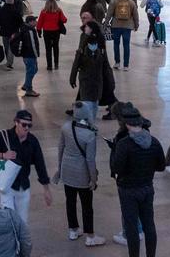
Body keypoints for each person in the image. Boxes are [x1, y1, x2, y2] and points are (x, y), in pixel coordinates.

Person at [109, 104, 164, 257]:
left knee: (131, 227)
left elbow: (117, 168)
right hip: (147, 187)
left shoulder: (124, 144)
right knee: (149, 225)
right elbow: (161, 166)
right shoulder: (154, 142)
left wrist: (113, 150)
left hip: (128, 190)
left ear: (126, 124)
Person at [0, 109, 51, 219]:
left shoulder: (33, 141)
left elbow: (40, 164)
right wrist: (3, 155)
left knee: (22, 222)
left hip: (23, 187)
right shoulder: (3, 136)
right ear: (16, 122)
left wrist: (46, 189)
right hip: (6, 188)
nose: (27, 128)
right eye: (24, 125)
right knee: (8, 220)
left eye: (29, 125)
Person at [55, 101, 104, 246]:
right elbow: (90, 160)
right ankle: (90, 236)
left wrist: (60, 169)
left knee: (70, 201)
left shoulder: (65, 128)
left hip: (67, 170)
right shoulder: (89, 135)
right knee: (87, 205)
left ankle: (73, 230)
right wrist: (93, 179)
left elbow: (60, 149)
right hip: (82, 173)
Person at [69, 22, 114, 118]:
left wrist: (109, 77)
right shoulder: (83, 47)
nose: (85, 27)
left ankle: (89, 122)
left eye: (87, 26)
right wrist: (72, 78)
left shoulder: (100, 50)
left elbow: (105, 64)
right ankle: (87, 122)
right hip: (87, 80)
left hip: (97, 80)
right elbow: (76, 63)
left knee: (94, 105)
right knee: (89, 104)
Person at [108, 0, 138, 70]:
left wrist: (106, 23)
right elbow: (135, 15)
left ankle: (117, 63)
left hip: (116, 26)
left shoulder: (114, 2)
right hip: (127, 27)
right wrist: (136, 25)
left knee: (116, 44)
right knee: (126, 45)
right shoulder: (131, 2)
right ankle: (126, 65)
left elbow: (109, 13)